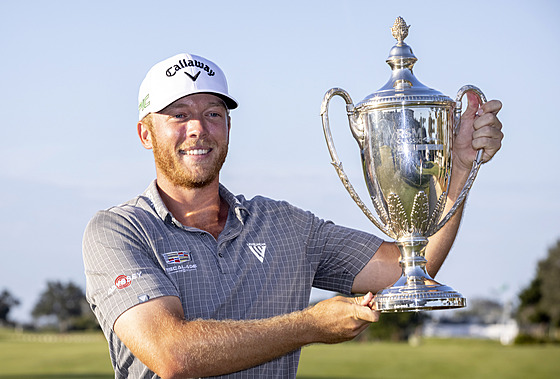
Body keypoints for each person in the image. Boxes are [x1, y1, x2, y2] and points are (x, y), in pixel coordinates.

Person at [83, 53, 503, 378]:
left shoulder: (284, 225)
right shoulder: (118, 232)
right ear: (145, 133)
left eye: (213, 114)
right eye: (179, 115)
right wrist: (310, 325)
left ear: (228, 129)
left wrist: (461, 169)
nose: (198, 129)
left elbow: (410, 268)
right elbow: (171, 354)